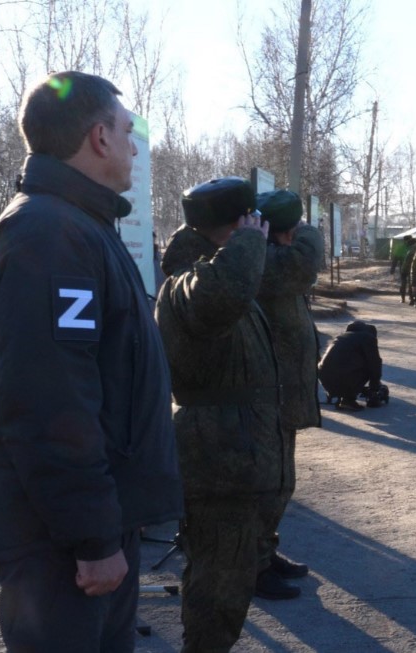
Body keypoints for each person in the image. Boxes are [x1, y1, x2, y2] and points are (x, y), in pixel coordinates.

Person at [0, 71, 182, 652]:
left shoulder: (78, 224)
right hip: (61, 548)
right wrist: (92, 539)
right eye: (126, 130)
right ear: (99, 138)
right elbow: (49, 404)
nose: (134, 146)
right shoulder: (48, 233)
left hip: (88, 527)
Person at [156, 177, 283, 651]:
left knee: (229, 581)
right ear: (238, 224)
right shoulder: (190, 281)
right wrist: (249, 241)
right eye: (252, 223)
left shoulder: (219, 270)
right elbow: (224, 294)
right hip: (218, 462)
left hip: (237, 460)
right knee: (217, 587)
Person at [253, 189, 324, 599]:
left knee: (280, 482)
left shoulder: (272, 256)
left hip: (283, 393)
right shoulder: (268, 260)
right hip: (269, 395)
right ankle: (254, 565)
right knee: (268, 484)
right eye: (294, 226)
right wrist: (306, 229)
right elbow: (304, 262)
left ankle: (265, 551)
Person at [319, 320, 385, 404]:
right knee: (369, 367)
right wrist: (374, 387)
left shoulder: (341, 337)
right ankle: (348, 399)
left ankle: (333, 395)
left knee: (345, 365)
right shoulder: (368, 338)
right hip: (343, 378)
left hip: (324, 377)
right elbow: (375, 364)